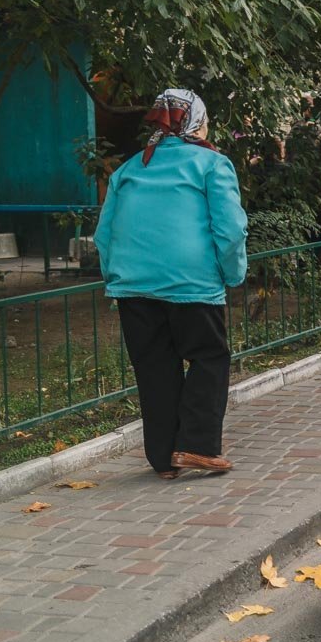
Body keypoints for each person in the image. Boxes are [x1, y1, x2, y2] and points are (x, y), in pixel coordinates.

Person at [95, 89, 248, 479]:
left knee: (155, 368)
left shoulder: (128, 169)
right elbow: (230, 231)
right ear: (194, 120)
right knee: (209, 358)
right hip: (192, 284)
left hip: (133, 288)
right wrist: (233, 274)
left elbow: (104, 234)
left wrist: (115, 278)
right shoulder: (211, 164)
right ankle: (196, 447)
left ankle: (164, 461)